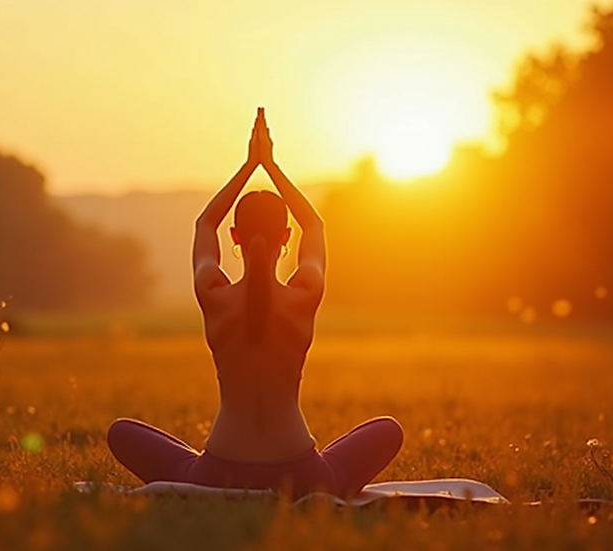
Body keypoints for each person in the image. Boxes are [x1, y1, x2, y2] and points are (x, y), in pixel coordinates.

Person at [107, 108, 403, 497]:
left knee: (121, 433)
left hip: (217, 473)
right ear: (285, 237)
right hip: (303, 475)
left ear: (235, 236)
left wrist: (249, 166)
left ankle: (196, 474)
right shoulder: (305, 293)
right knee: (388, 430)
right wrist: (272, 166)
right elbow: (314, 225)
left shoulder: (213, 292)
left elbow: (204, 225)